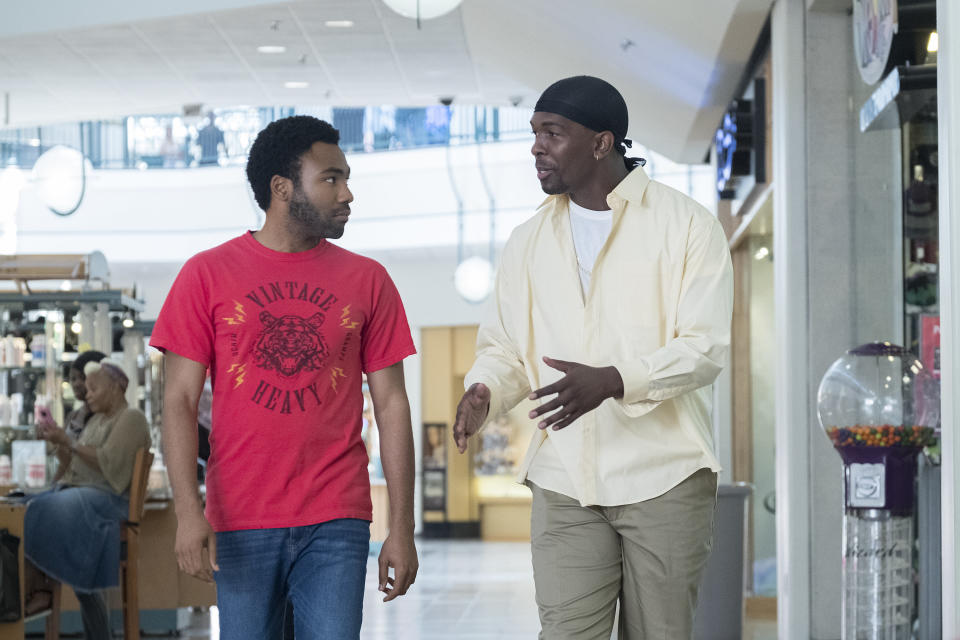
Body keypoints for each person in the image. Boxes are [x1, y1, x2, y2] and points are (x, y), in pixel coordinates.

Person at [453, 75, 733, 639]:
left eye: (553, 133)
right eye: (535, 133)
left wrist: (613, 380)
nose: (537, 146)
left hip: (665, 474)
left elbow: (704, 347)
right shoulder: (528, 240)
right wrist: (484, 388)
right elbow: (505, 346)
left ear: (602, 143)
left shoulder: (686, 225)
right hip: (565, 477)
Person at [150, 115, 419, 639]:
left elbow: (391, 404)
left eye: (345, 178)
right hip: (241, 513)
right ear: (282, 188)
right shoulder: (205, 274)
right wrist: (188, 512)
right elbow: (178, 400)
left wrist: (402, 529)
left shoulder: (369, 280)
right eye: (331, 178)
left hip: (336, 512)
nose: (347, 193)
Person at [30, 359, 152, 640]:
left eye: (95, 388)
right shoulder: (95, 420)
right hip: (84, 496)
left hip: (111, 502)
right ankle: (38, 588)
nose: (88, 394)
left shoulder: (131, 418)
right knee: (21, 508)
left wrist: (69, 441)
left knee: (40, 508)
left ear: (117, 388)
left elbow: (109, 464)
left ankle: (41, 591)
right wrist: (57, 441)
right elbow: (74, 464)